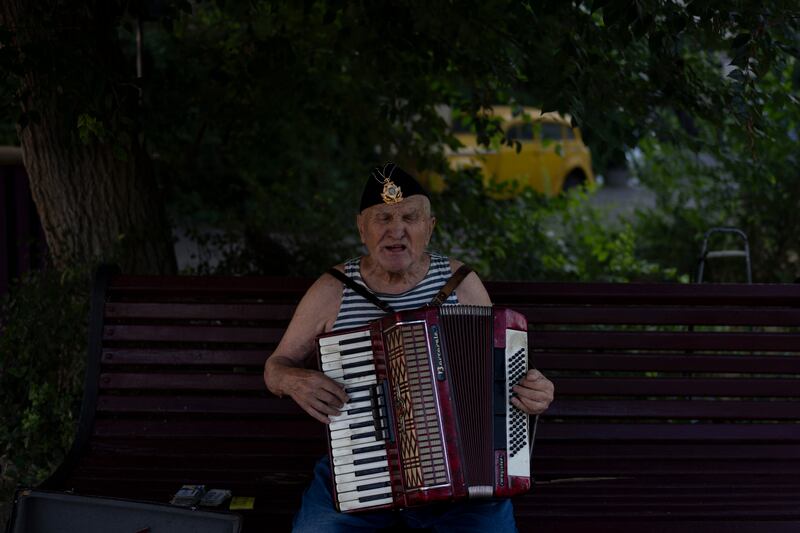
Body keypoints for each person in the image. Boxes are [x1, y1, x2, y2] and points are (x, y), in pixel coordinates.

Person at [263, 162, 555, 532]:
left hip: (462, 487)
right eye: (382, 218)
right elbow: (276, 366)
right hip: (363, 475)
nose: (395, 230)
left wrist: (534, 392)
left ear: (429, 228)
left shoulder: (460, 282)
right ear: (362, 228)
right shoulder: (333, 289)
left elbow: (501, 378)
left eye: (410, 218)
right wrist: (293, 380)